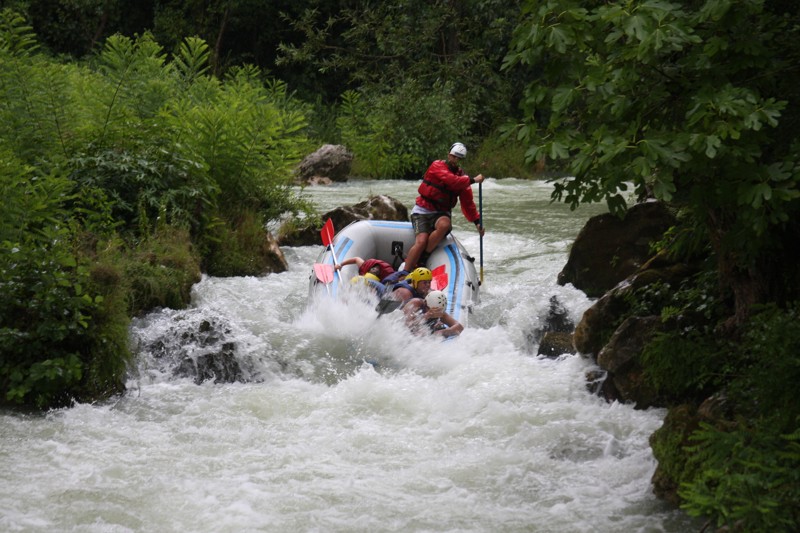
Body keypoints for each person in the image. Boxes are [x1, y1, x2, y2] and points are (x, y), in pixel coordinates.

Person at [404, 142, 485, 271]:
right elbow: (451, 180)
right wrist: (474, 180)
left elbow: (468, 202)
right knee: (421, 242)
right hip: (422, 210)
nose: (455, 160)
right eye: (454, 156)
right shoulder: (437, 166)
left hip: (441, 213)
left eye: (459, 158)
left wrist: (477, 222)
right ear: (449, 155)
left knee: (445, 225)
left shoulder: (462, 178)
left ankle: (423, 259)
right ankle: (403, 273)